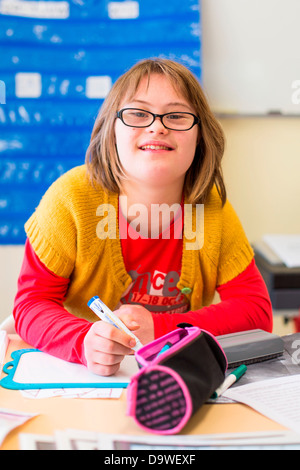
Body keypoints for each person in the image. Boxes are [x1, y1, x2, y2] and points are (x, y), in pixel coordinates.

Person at [13, 58, 272, 376]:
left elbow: (256, 311)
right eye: (137, 113)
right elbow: (31, 303)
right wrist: (82, 341)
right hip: (86, 379)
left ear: (200, 137)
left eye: (176, 115)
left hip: (174, 377)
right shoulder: (70, 199)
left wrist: (162, 327)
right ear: (112, 130)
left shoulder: (212, 209)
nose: (157, 126)